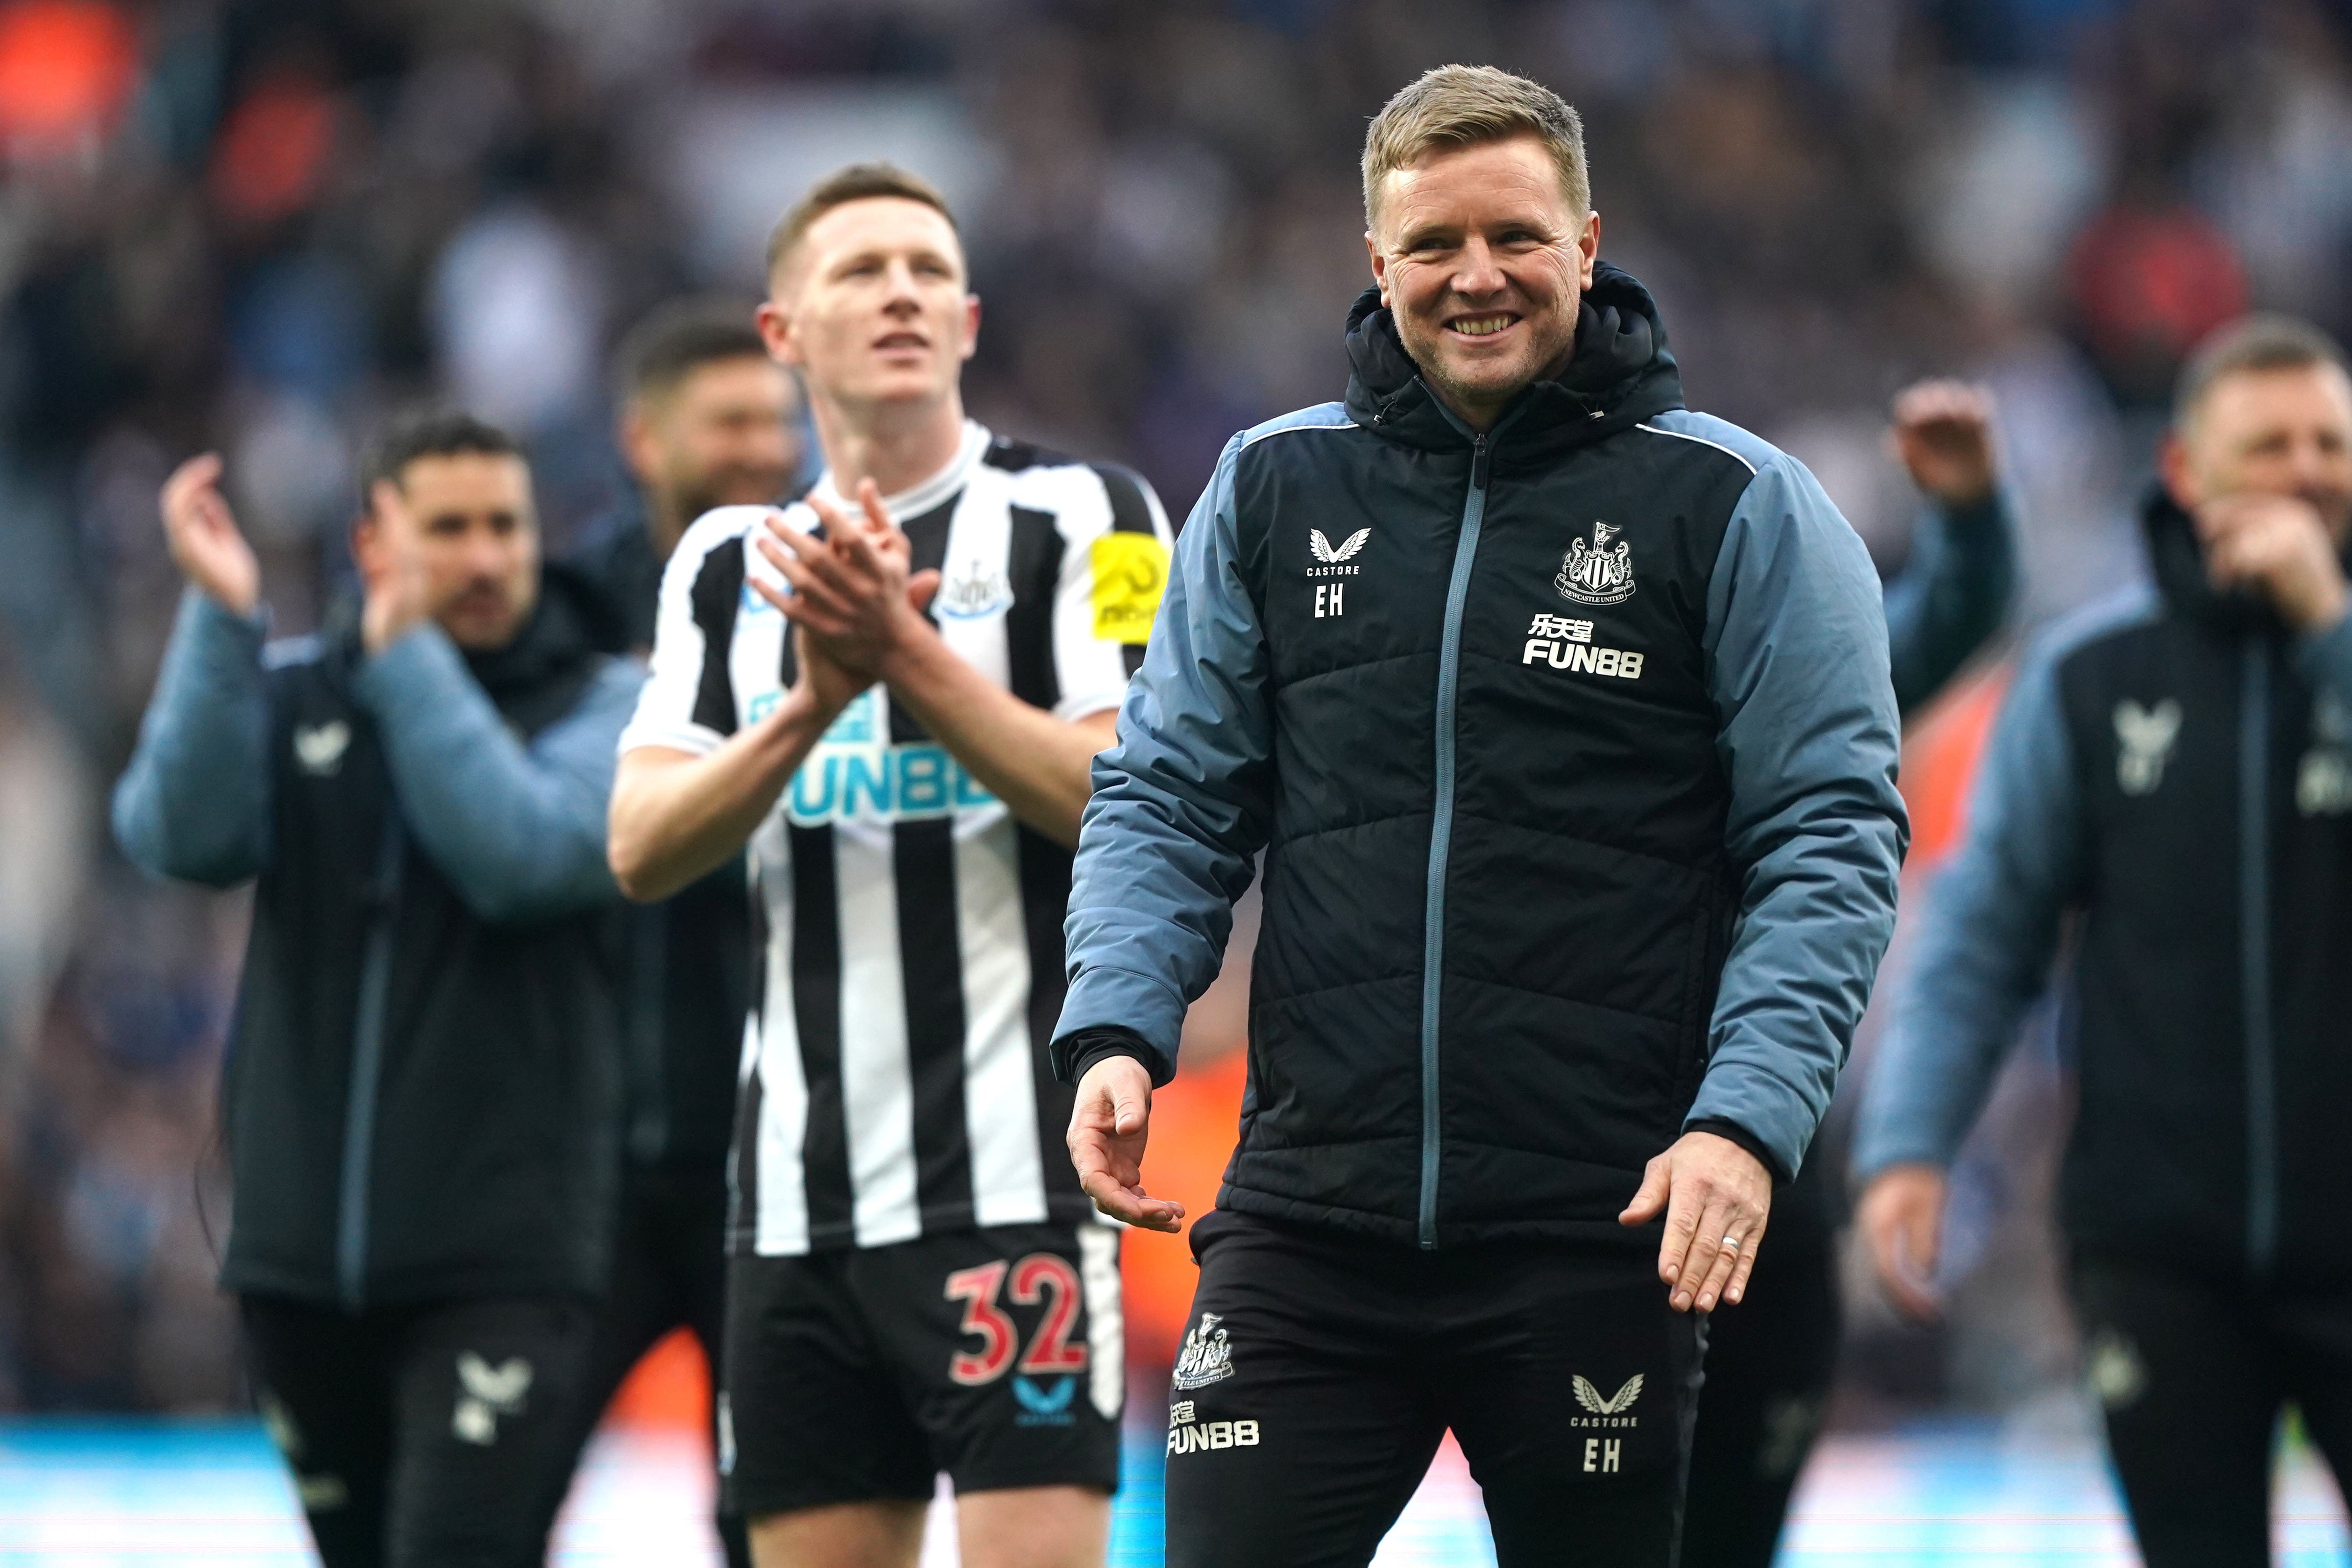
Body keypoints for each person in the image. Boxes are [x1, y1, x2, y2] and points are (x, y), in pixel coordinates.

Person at [1052, 65, 1908, 1567]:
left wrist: (1744, 1122)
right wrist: (1120, 1017)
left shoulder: (1738, 506)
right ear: (1376, 265)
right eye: (1433, 243)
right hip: (1310, 1220)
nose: (1477, 276)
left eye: (1514, 235)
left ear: (1587, 241)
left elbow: (1828, 836)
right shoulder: (1267, 486)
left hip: (1607, 1222)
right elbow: (1168, 790)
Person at [606, 162, 1172, 1568]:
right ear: (783, 331)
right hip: (793, 1207)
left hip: (1016, 1186)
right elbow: (640, 846)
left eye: (928, 266)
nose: (902, 289)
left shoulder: (1094, 517)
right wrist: (807, 704)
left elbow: (1138, 799)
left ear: (971, 320)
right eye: (860, 269)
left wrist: (904, 656)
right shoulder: (726, 565)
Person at [1853, 314, 2352, 1567]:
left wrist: (2326, 627)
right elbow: (1985, 927)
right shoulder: (2090, 677)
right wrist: (1912, 1141)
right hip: (2156, 1250)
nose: (2303, 469)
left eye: (2329, 443)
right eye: (2268, 444)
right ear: (2185, 473)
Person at [113, 410, 641, 1568]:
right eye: (448, 528)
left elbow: (525, 855)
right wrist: (219, 620)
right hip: (298, 1265)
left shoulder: (606, 703)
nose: (489, 555)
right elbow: (177, 836)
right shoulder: (301, 692)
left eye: (507, 525)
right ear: (373, 543)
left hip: (503, 1264)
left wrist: (404, 664)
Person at [1683, 378, 2014, 1568]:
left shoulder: (1796, 690)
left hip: (1767, 1199)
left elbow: (1948, 617)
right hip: (1568, 1196)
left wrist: (1970, 517)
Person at [540, 300, 801, 1568]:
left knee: (766, 1522)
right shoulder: (549, 612)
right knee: (487, 1504)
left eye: (776, 420)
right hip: (574, 1162)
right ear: (644, 441)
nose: (763, 446)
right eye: (731, 422)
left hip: (770, 1152)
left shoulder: (835, 593)